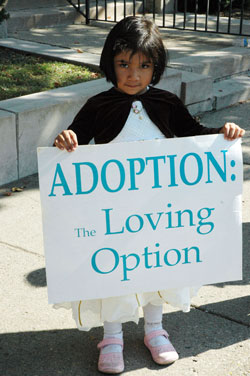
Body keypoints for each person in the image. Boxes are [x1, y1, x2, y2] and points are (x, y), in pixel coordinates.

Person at [54, 16, 245, 374]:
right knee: (115, 272)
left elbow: (195, 135)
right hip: (113, 216)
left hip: (159, 213)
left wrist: (223, 133)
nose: (133, 74)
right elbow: (72, 139)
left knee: (156, 269)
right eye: (124, 64)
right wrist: (66, 139)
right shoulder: (98, 105)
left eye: (144, 65)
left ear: (155, 67)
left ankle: (155, 330)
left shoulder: (167, 102)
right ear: (111, 64)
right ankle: (112, 336)